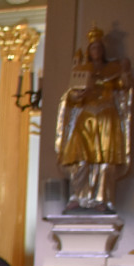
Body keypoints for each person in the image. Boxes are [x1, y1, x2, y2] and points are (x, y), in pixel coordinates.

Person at [56, 25, 132, 213]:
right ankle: (78, 197)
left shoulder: (112, 68)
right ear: (89, 51)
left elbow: (123, 87)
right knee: (81, 159)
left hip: (106, 116)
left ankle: (102, 199)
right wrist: (79, 95)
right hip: (86, 117)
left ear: (103, 50)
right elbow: (71, 95)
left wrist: (124, 72)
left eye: (99, 47)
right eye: (93, 48)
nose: (96, 51)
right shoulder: (81, 68)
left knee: (104, 160)